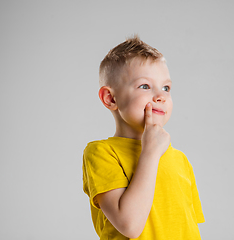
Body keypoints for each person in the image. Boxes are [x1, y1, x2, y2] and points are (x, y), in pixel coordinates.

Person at [82, 36, 205, 240]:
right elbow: (129, 225)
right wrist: (150, 151)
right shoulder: (101, 153)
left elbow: (188, 228)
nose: (161, 96)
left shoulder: (181, 160)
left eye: (166, 88)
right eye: (145, 86)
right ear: (110, 98)